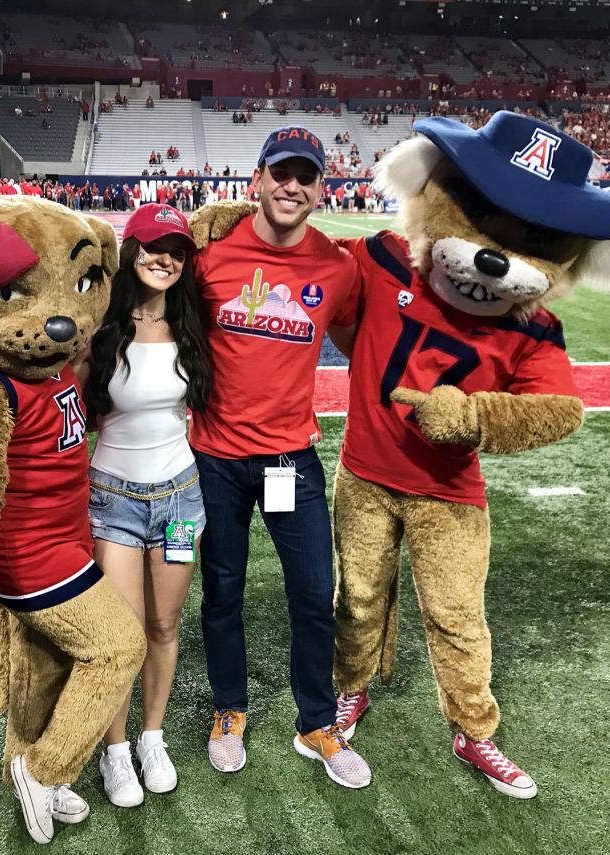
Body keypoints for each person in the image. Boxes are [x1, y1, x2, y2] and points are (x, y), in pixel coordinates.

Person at [190, 127, 371, 789]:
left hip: (290, 460)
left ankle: (316, 722)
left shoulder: (336, 267)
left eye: (306, 176)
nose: (292, 185)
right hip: (214, 459)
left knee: (314, 596)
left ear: (321, 188)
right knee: (224, 594)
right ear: (257, 181)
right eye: (281, 173)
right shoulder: (211, 257)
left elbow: (357, 333)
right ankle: (229, 709)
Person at [81, 203, 211, 808]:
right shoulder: (100, 326)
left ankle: (150, 738)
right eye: (154, 247)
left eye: (177, 251)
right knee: (123, 634)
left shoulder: (191, 326)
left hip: (182, 501)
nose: (166, 259)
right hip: (114, 502)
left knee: (164, 625)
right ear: (131, 251)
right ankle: (114, 752)